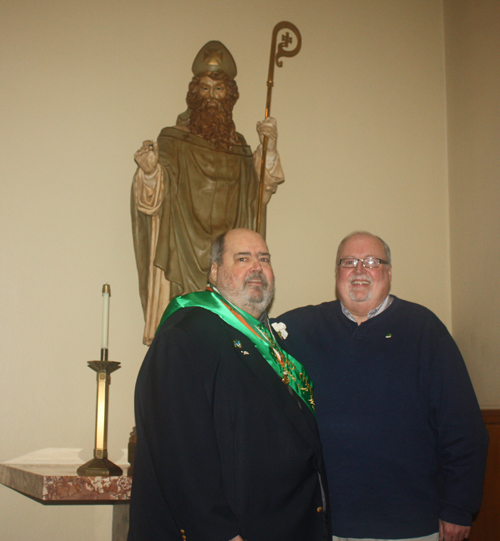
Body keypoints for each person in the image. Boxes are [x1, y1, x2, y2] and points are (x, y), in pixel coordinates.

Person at [276, 231, 489, 541]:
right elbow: (247, 340)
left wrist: (459, 506)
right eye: (348, 262)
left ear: (389, 273)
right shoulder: (299, 329)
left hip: (411, 524)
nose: (359, 270)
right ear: (336, 273)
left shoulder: (424, 330)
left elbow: (463, 427)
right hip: (328, 526)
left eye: (372, 262)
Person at [128, 228, 329, 541]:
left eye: (264, 259)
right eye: (242, 258)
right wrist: (219, 533)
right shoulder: (186, 334)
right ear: (215, 270)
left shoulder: (270, 342)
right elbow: (179, 452)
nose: (257, 266)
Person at [131, 41, 284, 345]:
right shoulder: (173, 141)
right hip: (182, 253)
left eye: (218, 90)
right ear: (194, 94)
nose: (211, 97)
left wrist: (270, 147)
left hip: (230, 263)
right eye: (204, 89)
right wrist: (149, 172)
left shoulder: (240, 148)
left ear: (230, 96)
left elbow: (259, 194)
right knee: (185, 341)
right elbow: (153, 200)